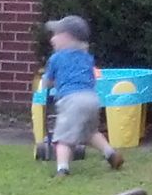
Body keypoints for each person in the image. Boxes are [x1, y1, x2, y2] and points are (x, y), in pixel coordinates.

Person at [42, 16, 123, 177]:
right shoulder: (87, 58)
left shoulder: (56, 58)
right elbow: (91, 77)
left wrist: (46, 82)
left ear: (66, 37)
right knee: (91, 132)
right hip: (91, 99)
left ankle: (62, 169)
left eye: (55, 35)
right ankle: (110, 154)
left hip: (71, 101)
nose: (52, 39)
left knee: (62, 139)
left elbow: (48, 82)